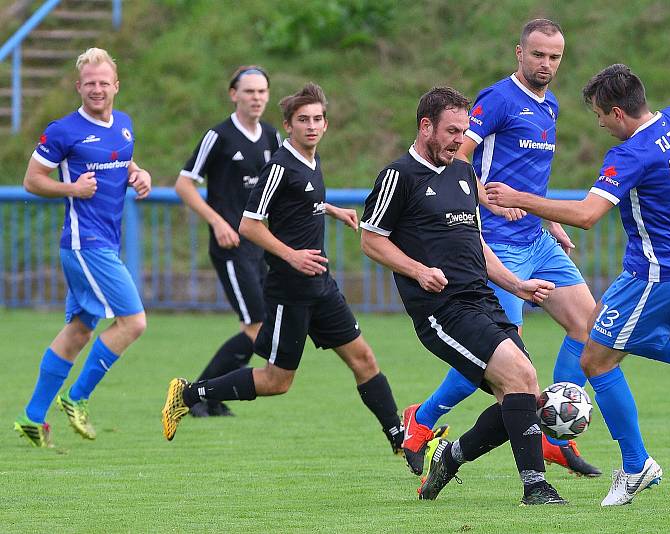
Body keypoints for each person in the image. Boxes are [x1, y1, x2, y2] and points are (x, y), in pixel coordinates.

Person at [485, 63, 670, 506]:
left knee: (597, 361)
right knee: (630, 337)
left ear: (618, 112)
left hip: (653, 271)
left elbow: (588, 216)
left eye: (600, 116)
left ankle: (636, 464)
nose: (601, 124)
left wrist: (520, 199)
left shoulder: (630, 155)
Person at [400, 18, 600, 478]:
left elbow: (532, 180)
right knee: (504, 356)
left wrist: (550, 221)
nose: (546, 64)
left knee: (589, 330)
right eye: (538, 55)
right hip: (496, 245)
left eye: (554, 57)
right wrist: (486, 194)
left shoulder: (549, 107)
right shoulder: (497, 100)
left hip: (536, 239)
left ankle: (550, 430)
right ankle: (422, 420)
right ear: (519, 53)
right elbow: (459, 157)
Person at [161, 83, 405, 454]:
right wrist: (292, 255)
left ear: (326, 124)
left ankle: (401, 441)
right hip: (291, 289)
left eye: (317, 119)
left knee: (364, 359)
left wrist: (330, 209)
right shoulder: (278, 166)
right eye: (303, 120)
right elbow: (250, 224)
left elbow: (298, 205)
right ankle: (190, 393)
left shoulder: (311, 159)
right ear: (288, 126)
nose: (311, 126)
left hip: (321, 285)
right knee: (277, 381)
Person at [360, 86, 566, 505]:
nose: (459, 139)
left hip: (482, 299)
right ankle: (535, 487)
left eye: (464, 130)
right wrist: (418, 270)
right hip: (441, 310)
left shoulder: (462, 173)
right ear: (425, 126)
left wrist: (516, 284)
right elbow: (370, 240)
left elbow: (477, 245)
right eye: (452, 131)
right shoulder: (398, 176)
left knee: (522, 394)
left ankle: (451, 457)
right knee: (520, 379)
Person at [14, 48, 151, 447]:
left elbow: (123, 160)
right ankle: (76, 398)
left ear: (115, 86)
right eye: (89, 83)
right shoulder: (63, 130)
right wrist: (71, 188)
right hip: (84, 244)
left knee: (79, 330)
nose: (96, 89)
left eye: (103, 82)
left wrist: (138, 173)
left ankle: (31, 416)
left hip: (105, 241)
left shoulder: (124, 125)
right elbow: (32, 180)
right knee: (134, 322)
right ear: (78, 86)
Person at [175, 65, 281, 417]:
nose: (256, 98)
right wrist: (218, 222)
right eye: (249, 92)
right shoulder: (217, 136)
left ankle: (209, 396)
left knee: (261, 327)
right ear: (233, 94)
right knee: (255, 328)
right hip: (231, 248)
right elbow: (184, 184)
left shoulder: (271, 136)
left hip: (261, 246)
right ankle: (195, 396)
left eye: (262, 92)